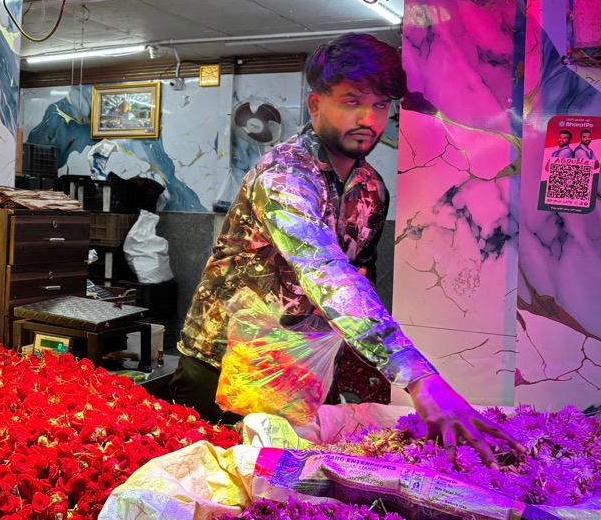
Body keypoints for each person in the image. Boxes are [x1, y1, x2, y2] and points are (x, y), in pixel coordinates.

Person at [170, 34, 519, 464]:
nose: (368, 118)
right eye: (351, 101)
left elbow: (360, 277)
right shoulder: (283, 177)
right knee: (221, 492)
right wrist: (418, 377)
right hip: (223, 369)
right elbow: (327, 273)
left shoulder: (371, 189)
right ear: (316, 105)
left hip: (304, 372)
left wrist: (363, 379)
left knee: (290, 494)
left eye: (380, 104)